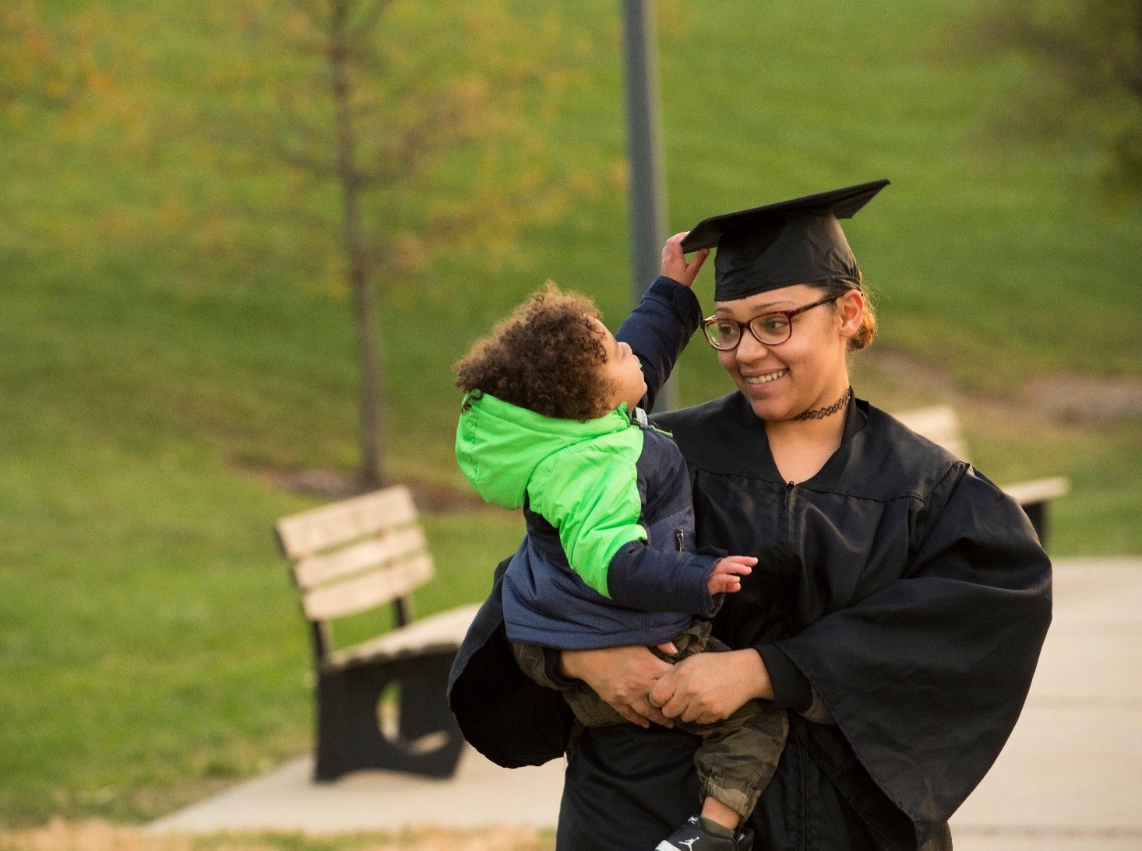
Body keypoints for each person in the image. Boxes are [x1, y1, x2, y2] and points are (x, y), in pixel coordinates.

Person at [448, 180, 1053, 851]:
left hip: (845, 829)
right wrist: (577, 658)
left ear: (848, 312)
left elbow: (976, 623)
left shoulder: (925, 490)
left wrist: (769, 669)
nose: (747, 352)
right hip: (642, 814)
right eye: (727, 328)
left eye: (776, 322)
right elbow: (526, 591)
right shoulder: (654, 459)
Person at [451, 237, 786, 851]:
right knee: (754, 721)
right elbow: (615, 563)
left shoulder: (590, 428)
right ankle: (712, 832)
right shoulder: (597, 471)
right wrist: (695, 577)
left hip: (566, 635)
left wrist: (672, 292)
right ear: (591, 400)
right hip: (616, 637)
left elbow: (641, 357)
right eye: (613, 351)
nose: (629, 347)